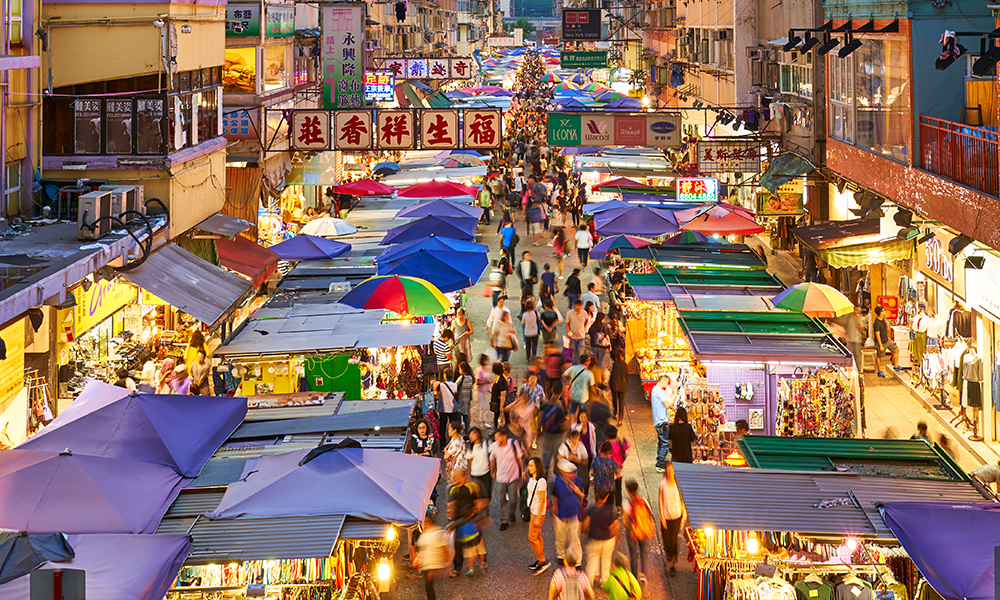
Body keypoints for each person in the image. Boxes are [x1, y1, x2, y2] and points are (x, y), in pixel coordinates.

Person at [550, 459, 585, 568]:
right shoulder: (557, 482)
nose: (573, 475)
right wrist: (554, 509)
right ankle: (560, 555)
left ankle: (577, 561)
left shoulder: (578, 482)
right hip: (561, 514)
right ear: (563, 472)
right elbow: (554, 497)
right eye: (570, 473)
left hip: (574, 514)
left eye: (574, 472)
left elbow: (583, 497)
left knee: (575, 539)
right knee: (560, 536)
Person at [490, 427, 524, 530]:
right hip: (501, 476)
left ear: (504, 436)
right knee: (501, 499)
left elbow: (519, 457)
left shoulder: (513, 444)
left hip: (513, 475)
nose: (496, 439)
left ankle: (511, 512)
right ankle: (504, 520)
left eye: (498, 437)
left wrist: (522, 471)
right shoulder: (494, 446)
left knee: (513, 499)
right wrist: (492, 471)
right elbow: (492, 459)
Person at [582, 490, 618, 588]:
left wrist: (587, 532)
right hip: (607, 540)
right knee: (606, 561)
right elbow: (612, 528)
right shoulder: (610, 509)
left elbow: (585, 526)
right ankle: (604, 583)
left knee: (592, 562)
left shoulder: (591, 509)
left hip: (594, 539)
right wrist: (615, 537)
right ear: (606, 497)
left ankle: (589, 582)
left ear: (596, 495)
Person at [621, 479, 655, 584]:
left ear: (627, 490)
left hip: (633, 533)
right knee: (644, 554)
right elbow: (650, 514)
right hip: (644, 531)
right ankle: (644, 576)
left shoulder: (627, 502)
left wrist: (629, 528)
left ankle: (634, 578)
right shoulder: (643, 500)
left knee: (633, 555)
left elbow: (625, 519)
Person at [414, 509, 451, 600]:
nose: (425, 524)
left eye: (426, 521)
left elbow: (444, 547)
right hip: (426, 563)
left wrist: (445, 561)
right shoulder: (423, 532)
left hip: (431, 564)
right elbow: (422, 548)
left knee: (429, 587)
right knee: (428, 587)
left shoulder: (436, 532)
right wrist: (418, 560)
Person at [659, 462, 686, 577]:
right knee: (666, 538)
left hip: (676, 514)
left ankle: (673, 563)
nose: (671, 472)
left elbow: (681, 498)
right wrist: (661, 514)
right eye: (669, 469)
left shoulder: (677, 482)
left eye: (672, 469)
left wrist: (684, 513)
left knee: (673, 539)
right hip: (666, 514)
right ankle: (669, 554)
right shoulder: (663, 482)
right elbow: (660, 498)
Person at [525, 457, 551, 574]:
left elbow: (542, 500)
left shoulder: (541, 481)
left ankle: (542, 560)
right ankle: (540, 559)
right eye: (528, 465)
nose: (529, 468)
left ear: (537, 467)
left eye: (531, 465)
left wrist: (539, 517)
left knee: (532, 538)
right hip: (532, 511)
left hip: (537, 513)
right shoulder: (532, 478)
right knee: (538, 536)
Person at [539, 391, 568, 474]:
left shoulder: (545, 403)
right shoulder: (561, 406)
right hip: (558, 436)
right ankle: (556, 482)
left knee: (545, 461)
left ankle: (544, 481)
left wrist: (539, 430)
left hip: (547, 435)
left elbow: (540, 416)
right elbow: (564, 426)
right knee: (557, 461)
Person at [651, 375, 674, 472]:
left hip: (657, 421)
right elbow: (668, 404)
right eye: (666, 383)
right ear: (663, 381)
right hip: (662, 421)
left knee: (661, 442)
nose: (666, 385)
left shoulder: (654, 389)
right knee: (665, 443)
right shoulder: (659, 391)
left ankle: (660, 460)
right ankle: (660, 464)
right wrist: (675, 393)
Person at [873, 305, 901, 377]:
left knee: (896, 349)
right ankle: (879, 371)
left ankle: (896, 365)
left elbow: (888, 329)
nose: (885, 312)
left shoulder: (883, 320)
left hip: (887, 340)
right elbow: (877, 334)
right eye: (883, 311)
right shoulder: (877, 323)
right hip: (881, 342)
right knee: (879, 356)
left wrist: (886, 322)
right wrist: (881, 345)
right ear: (881, 312)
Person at [590, 441, 620, 507]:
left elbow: (591, 472)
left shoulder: (596, 460)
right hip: (610, 488)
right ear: (610, 451)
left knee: (598, 505)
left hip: (598, 486)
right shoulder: (613, 462)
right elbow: (618, 474)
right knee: (609, 506)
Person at [606, 426, 629, 508]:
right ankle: (619, 507)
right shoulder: (620, 444)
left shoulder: (605, 445)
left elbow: (600, 454)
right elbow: (627, 446)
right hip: (618, 471)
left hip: (608, 471)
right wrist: (624, 440)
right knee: (618, 490)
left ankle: (609, 508)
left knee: (609, 490)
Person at [841, 304, 867, 372]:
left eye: (859, 310)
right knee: (849, 355)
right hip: (849, 339)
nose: (857, 311)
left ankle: (856, 371)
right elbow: (843, 324)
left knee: (857, 356)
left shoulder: (861, 318)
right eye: (856, 310)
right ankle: (850, 369)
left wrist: (857, 319)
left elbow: (862, 329)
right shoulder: (848, 317)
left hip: (857, 339)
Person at [468, 427, 492, 498]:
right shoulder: (470, 447)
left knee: (487, 495)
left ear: (477, 434)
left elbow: (492, 456)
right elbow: (470, 460)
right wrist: (470, 472)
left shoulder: (486, 443)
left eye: (472, 435)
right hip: (475, 474)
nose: (470, 437)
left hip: (486, 473)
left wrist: (493, 469)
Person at [454, 362, 474, 434]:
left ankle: (459, 432)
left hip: (460, 400)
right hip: (467, 400)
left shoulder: (461, 378)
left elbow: (455, 385)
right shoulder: (470, 378)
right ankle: (467, 433)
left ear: (463, 370)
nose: (459, 371)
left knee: (458, 418)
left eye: (460, 369)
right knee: (466, 419)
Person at [474, 355, 493, 429]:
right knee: (481, 406)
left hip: (485, 390)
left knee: (484, 406)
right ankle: (482, 421)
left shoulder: (488, 368)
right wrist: (486, 382)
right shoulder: (479, 370)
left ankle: (482, 420)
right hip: (479, 390)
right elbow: (477, 382)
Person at [609, 350, 628, 425]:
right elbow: (627, 373)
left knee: (614, 400)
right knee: (621, 402)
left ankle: (615, 414)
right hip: (622, 385)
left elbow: (612, 375)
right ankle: (620, 419)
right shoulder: (624, 364)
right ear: (621, 356)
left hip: (614, 385)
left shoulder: (614, 364)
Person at [521, 297, 541, 361]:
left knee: (528, 346)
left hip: (527, 332)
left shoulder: (524, 314)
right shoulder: (535, 313)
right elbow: (539, 317)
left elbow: (523, 323)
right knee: (534, 345)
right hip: (534, 332)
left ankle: (528, 357)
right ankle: (534, 356)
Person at [489, 362, 508, 432]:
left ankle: (497, 431)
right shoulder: (498, 379)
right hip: (496, 402)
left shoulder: (502, 381)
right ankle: (496, 431)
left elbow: (503, 393)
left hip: (498, 403)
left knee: (498, 418)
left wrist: (501, 406)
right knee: (496, 418)